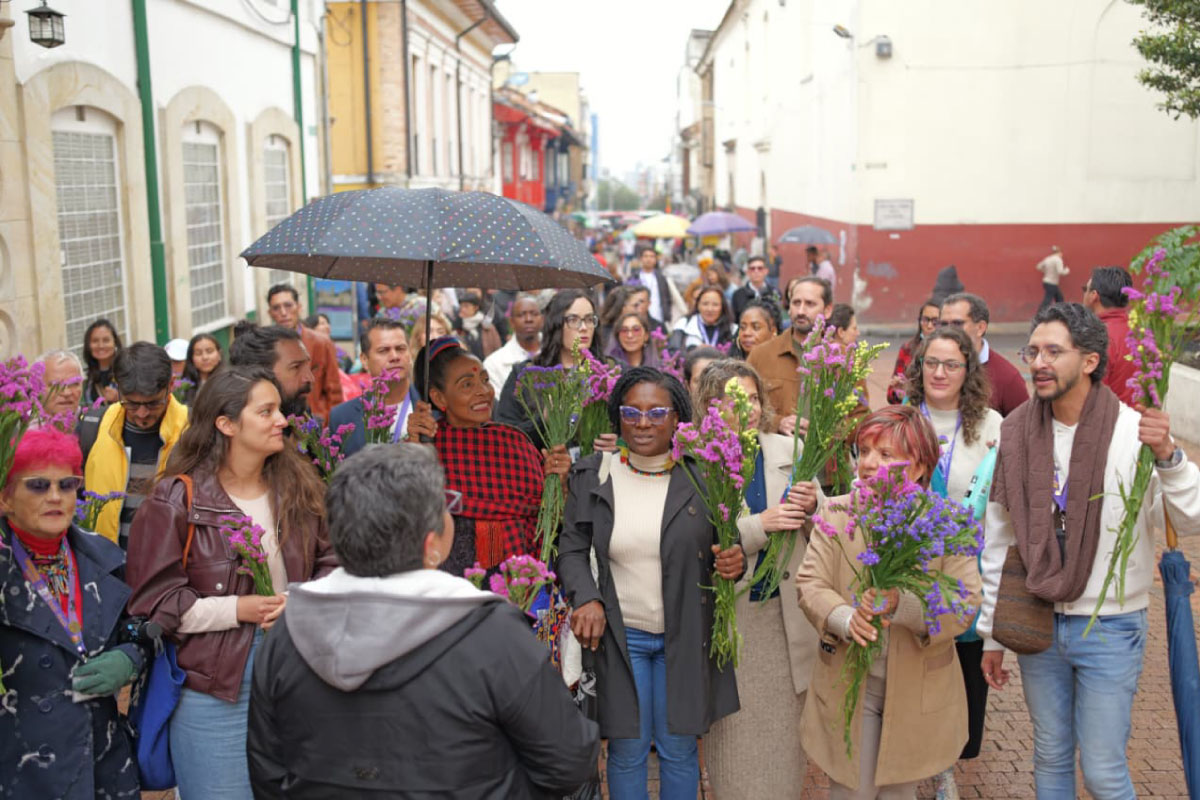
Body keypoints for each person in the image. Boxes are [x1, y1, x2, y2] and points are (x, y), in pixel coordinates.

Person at [246, 443, 600, 798]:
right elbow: (568, 762)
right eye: (446, 507)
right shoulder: (492, 634)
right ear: (432, 542)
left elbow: (268, 773)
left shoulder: (291, 631)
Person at [977, 303, 1200, 799]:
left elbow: (1190, 518)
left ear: (1091, 361)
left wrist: (1170, 459)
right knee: (1050, 756)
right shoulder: (1014, 433)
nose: (1039, 361)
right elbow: (999, 538)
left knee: (1102, 770)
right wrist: (992, 632)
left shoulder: (1132, 432)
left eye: (1054, 351)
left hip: (1111, 624)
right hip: (1037, 618)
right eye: (1033, 350)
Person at [126, 365, 338, 799]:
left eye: (279, 409)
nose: (282, 420)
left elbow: (334, 563)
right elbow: (154, 603)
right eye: (266, 411)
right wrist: (237, 609)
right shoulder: (175, 500)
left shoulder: (300, 486)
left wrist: (298, 600)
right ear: (225, 424)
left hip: (296, 673)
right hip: (215, 688)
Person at [558, 367, 744, 800]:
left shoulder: (705, 476)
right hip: (623, 639)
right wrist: (586, 597)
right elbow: (571, 549)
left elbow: (727, 549)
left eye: (657, 412)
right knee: (627, 748)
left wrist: (735, 563)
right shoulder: (594, 475)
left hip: (686, 634)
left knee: (680, 749)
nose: (643, 423)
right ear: (617, 417)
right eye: (631, 412)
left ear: (677, 417)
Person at [797, 405, 983, 799]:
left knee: (898, 792)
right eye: (864, 451)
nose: (867, 464)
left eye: (884, 455)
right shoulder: (837, 511)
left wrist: (902, 604)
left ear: (918, 467)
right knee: (850, 792)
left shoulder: (946, 523)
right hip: (850, 680)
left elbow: (964, 603)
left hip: (917, 691)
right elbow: (811, 584)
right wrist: (845, 618)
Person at [696, 360, 821, 798]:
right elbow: (697, 541)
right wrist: (757, 527)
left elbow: (824, 530)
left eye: (752, 398)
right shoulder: (697, 461)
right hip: (731, 623)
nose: (746, 408)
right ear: (711, 407)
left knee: (786, 751)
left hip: (786, 623)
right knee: (734, 748)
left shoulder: (792, 451)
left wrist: (813, 506)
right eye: (733, 400)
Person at [0, 428, 146, 800]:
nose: (55, 497)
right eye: (37, 485)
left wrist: (132, 656)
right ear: (5, 498)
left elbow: (139, 625)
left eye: (67, 484)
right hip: (21, 768)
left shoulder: (103, 557)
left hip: (103, 765)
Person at [902, 326, 1002, 797]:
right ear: (919, 367)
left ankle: (949, 766)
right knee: (916, 669)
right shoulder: (902, 421)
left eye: (952, 364)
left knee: (963, 671)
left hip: (969, 570)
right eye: (932, 363)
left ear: (969, 370)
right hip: (911, 569)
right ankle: (919, 762)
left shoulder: (992, 425)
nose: (940, 373)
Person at [406, 338, 558, 575]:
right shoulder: (428, 446)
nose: (483, 392)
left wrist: (559, 479)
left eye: (485, 380)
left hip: (522, 581)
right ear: (439, 398)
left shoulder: (514, 441)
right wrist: (414, 448)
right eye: (467, 385)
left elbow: (549, 512)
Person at [82, 342, 189, 548]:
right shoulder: (93, 427)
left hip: (171, 567)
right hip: (109, 566)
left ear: (172, 384)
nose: (142, 413)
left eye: (152, 403)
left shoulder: (194, 431)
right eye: (131, 403)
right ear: (118, 387)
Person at [494, 290, 602, 450]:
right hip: (540, 469)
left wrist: (616, 441)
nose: (584, 327)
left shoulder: (607, 374)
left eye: (589, 319)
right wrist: (543, 420)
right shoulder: (526, 373)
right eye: (573, 319)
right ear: (556, 323)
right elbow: (504, 438)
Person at [747, 276, 834, 436]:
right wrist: (777, 423)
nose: (801, 311)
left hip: (825, 456)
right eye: (796, 303)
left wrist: (829, 431)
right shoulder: (761, 354)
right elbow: (742, 406)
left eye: (810, 304)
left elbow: (859, 414)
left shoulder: (842, 358)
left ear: (827, 310)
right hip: (776, 456)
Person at [328, 317, 417, 458]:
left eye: (400, 349)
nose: (394, 356)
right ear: (364, 360)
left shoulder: (432, 407)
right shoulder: (342, 417)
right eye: (383, 351)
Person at [939, 293, 1029, 417]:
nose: (948, 331)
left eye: (957, 324)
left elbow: (1023, 430)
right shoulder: (931, 368)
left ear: (980, 328)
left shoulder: (1008, 379)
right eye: (943, 324)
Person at [266, 284, 344, 420]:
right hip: (280, 422)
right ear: (270, 313)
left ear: (299, 307)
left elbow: (334, 390)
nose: (283, 313)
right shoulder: (266, 345)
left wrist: (330, 425)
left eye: (288, 305)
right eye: (276, 308)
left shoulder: (321, 342)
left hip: (315, 421)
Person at [228, 322, 316, 419]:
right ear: (261, 373)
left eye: (307, 365)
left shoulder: (303, 418)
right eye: (296, 367)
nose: (310, 378)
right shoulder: (240, 428)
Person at [1082, 266, 1137, 406]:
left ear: (1094, 296)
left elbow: (1090, 397)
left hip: (1110, 421)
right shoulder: (1140, 333)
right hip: (1140, 421)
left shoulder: (1097, 338)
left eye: (1085, 289)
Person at [483, 293, 543, 390]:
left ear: (542, 319)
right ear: (511, 322)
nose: (528, 319)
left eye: (534, 314)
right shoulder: (494, 364)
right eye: (521, 315)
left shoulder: (560, 351)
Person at [887, 299, 940, 405]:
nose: (929, 326)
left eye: (935, 321)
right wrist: (899, 392)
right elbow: (891, 395)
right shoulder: (908, 348)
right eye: (925, 320)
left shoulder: (951, 351)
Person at [629, 245, 685, 326]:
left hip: (659, 318)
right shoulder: (634, 277)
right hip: (639, 318)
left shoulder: (662, 278)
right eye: (646, 256)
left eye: (652, 256)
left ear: (656, 259)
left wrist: (667, 315)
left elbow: (667, 298)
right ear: (641, 259)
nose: (649, 259)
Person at [669, 286, 737, 352]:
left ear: (722, 307)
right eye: (705, 304)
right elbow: (673, 352)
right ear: (698, 305)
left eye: (715, 304)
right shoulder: (684, 324)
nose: (710, 309)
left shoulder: (733, 329)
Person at [37, 349, 85, 430]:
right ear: (37, 388)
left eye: (73, 384)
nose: (66, 393)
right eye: (56, 385)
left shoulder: (99, 426)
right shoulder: (21, 432)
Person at [81, 318, 122, 406]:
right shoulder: (87, 377)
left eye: (106, 340)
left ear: (115, 343)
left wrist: (120, 397)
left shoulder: (127, 370)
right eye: (95, 341)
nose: (101, 346)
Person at [731, 255, 783, 319]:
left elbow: (778, 315)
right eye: (752, 269)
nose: (756, 271)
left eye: (760, 268)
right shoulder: (738, 294)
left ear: (766, 271)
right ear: (748, 272)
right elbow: (735, 319)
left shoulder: (775, 292)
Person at [454, 291, 502, 361]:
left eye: (466, 306)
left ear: (476, 307)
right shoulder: (458, 327)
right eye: (461, 306)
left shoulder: (487, 327)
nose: (463, 309)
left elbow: (498, 349)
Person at [179, 332, 224, 405]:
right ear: (191, 358)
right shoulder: (183, 385)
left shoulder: (229, 383)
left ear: (219, 354)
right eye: (198, 353)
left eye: (209, 351)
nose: (205, 357)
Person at [1036, 245, 1069, 311]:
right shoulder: (1058, 260)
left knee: (1059, 298)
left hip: (1046, 281)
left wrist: (1045, 271)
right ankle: (1040, 312)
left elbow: (1038, 266)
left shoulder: (1048, 259)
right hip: (1052, 283)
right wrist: (1066, 270)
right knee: (1049, 299)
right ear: (1059, 252)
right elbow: (1060, 271)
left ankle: (1060, 312)